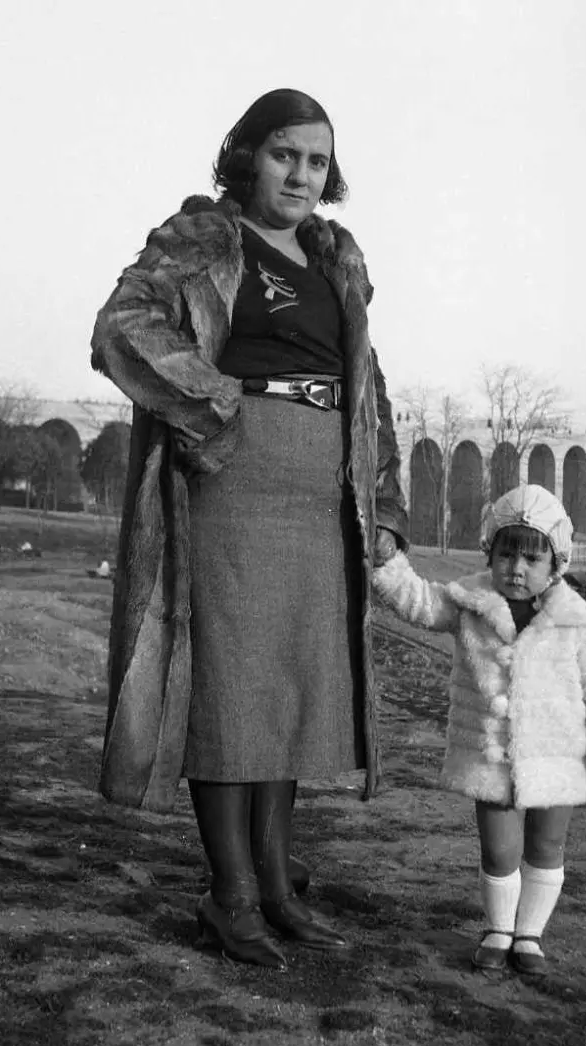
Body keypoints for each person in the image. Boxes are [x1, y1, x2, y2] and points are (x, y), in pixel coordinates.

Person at [90, 88, 408, 971]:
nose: (301, 175)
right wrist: (216, 406)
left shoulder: (334, 259)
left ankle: (275, 888)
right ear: (247, 157)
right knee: (231, 691)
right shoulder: (201, 240)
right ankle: (227, 894)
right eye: (284, 155)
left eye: (315, 161)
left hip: (322, 496)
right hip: (235, 481)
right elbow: (122, 329)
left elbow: (369, 386)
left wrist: (384, 506)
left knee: (292, 689)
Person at [372, 484, 586, 976]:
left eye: (531, 559)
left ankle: (529, 935)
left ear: (554, 564)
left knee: (546, 847)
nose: (516, 568)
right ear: (489, 552)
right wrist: (386, 562)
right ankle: (498, 928)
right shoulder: (469, 603)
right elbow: (418, 601)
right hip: (490, 753)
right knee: (500, 848)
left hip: (558, 754)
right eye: (506, 554)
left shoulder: (573, 620)